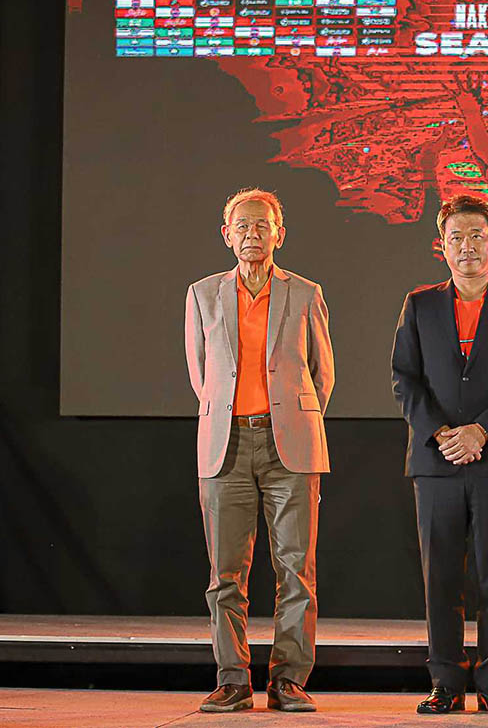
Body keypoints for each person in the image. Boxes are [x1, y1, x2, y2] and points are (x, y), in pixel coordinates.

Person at [392, 194, 488, 715]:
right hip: (436, 461)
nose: (467, 247)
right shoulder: (419, 304)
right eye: (456, 237)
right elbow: (404, 379)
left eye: (477, 236)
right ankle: (445, 682)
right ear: (442, 246)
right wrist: (441, 434)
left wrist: (482, 431)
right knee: (441, 577)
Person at [184, 187, 334, 713]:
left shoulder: (306, 293)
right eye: (242, 226)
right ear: (226, 235)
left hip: (288, 444)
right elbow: (201, 374)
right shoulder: (202, 294)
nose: (252, 234)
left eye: (262, 225)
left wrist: (290, 420)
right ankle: (232, 680)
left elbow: (321, 374)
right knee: (225, 574)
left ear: (279, 234)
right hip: (225, 444)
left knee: (297, 571)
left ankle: (289, 680)